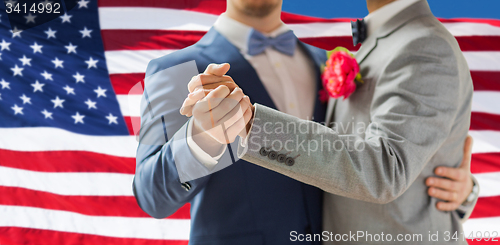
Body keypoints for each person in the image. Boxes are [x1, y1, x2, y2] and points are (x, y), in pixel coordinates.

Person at [136, 0, 477, 244]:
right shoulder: (174, 70)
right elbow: (152, 195)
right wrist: (200, 141)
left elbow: (374, 154)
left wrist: (455, 185)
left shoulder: (326, 63)